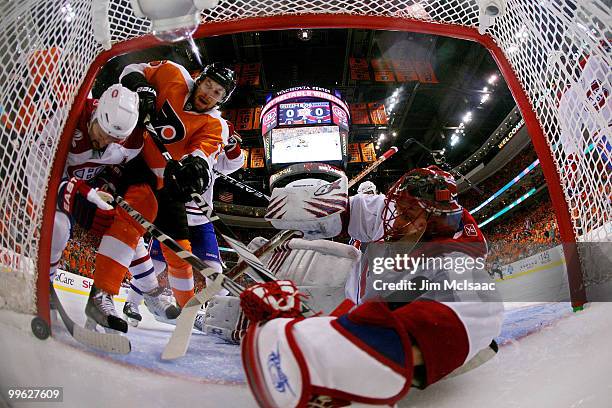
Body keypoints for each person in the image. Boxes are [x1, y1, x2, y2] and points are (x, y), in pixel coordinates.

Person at [236, 165, 503, 407]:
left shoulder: (454, 259)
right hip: (363, 316)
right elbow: (345, 213)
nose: (391, 216)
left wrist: (341, 355)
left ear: (426, 223)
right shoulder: (405, 220)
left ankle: (381, 362)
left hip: (404, 349)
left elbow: (479, 308)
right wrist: (309, 206)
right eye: (397, 207)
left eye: (404, 212)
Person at [27, 84, 159, 333]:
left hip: (88, 190)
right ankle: (44, 283)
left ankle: (107, 297)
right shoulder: (64, 121)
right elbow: (36, 175)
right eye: (103, 132)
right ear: (96, 114)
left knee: (126, 224)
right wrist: (74, 193)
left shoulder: (129, 142)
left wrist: (108, 185)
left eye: (114, 138)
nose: (104, 141)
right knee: (58, 225)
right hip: (54, 188)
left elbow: (118, 170)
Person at [119, 60, 238, 309]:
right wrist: (141, 87)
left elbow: (206, 157)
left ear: (222, 100)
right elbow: (130, 70)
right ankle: (131, 300)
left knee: (196, 262)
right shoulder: (172, 73)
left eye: (217, 92)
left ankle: (202, 311)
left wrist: (194, 166)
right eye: (208, 85)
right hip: (134, 164)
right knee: (135, 239)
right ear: (200, 79)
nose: (209, 93)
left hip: (184, 205)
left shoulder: (215, 126)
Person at [122, 127, 244, 327]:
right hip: (173, 216)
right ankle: (131, 304)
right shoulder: (175, 147)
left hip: (202, 221)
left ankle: (221, 314)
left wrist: (231, 145)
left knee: (213, 269)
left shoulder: (210, 153)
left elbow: (234, 163)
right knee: (156, 264)